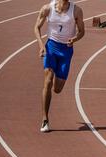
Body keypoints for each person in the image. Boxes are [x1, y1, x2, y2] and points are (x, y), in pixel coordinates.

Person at [34, 0, 85, 132]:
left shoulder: (76, 10)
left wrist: (74, 39)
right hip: (51, 47)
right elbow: (36, 27)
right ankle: (45, 120)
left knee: (57, 89)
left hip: (66, 51)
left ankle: (58, 75)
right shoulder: (47, 8)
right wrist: (41, 45)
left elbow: (82, 31)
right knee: (48, 81)